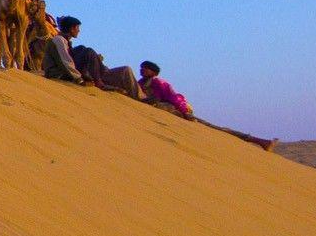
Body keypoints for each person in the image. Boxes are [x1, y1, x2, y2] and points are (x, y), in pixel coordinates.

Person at [139, 61, 277, 150]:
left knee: (215, 128)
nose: (142, 70)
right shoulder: (141, 83)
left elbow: (173, 98)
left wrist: (186, 113)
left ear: (153, 72)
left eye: (146, 68)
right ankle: (260, 141)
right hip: (165, 111)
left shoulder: (158, 82)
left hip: (175, 111)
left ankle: (259, 141)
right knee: (214, 128)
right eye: (141, 68)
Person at [45, 16, 143, 99]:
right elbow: (65, 61)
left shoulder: (65, 41)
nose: (79, 30)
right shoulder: (59, 40)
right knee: (88, 51)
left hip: (69, 73)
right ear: (71, 28)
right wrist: (79, 79)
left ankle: (140, 97)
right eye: (77, 27)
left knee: (83, 49)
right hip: (58, 74)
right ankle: (99, 82)